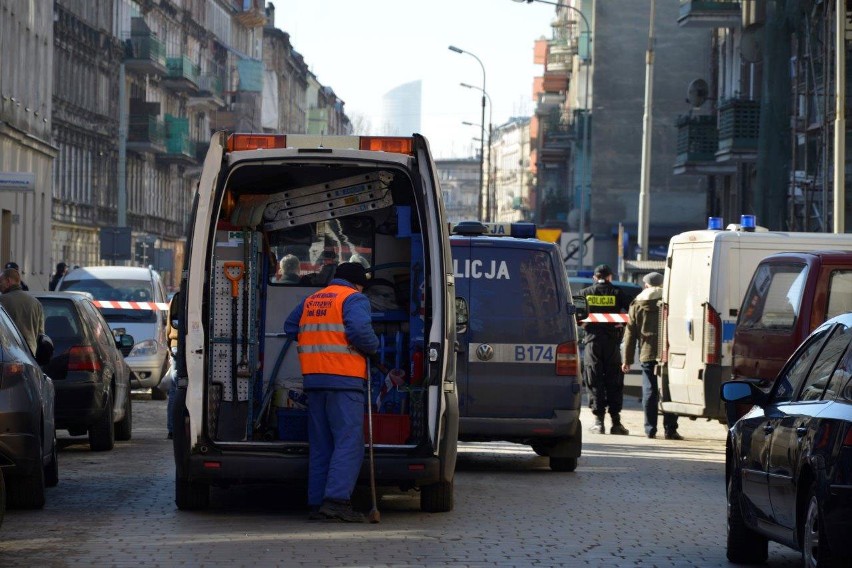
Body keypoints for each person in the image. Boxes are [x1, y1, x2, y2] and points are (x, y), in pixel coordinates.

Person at [284, 262, 379, 522]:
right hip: (344, 380)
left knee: (322, 444)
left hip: (314, 381)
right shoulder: (354, 298)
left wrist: (317, 345)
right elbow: (361, 331)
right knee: (349, 442)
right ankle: (336, 501)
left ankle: (317, 502)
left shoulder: (313, 299)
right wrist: (373, 346)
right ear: (358, 284)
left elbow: (290, 327)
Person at [621, 272, 682, 440]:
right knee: (669, 392)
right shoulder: (670, 301)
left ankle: (650, 429)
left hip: (647, 353)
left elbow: (630, 335)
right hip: (669, 353)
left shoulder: (637, 304)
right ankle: (670, 429)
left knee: (649, 391)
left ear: (647, 285)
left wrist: (626, 360)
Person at [579, 264, 632, 435]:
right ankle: (616, 423)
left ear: (595, 277)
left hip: (592, 343)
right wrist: (622, 322)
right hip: (612, 344)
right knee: (613, 381)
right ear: (610, 277)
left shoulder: (585, 293)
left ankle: (598, 422)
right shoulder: (617, 293)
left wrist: (583, 323)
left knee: (594, 379)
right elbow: (633, 310)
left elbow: (575, 314)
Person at [0, 267, 45, 354]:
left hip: (8, 353)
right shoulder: (36, 303)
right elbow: (41, 334)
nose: (0, 285)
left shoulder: (2, 301)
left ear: (8, 281)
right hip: (31, 354)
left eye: (0, 282)